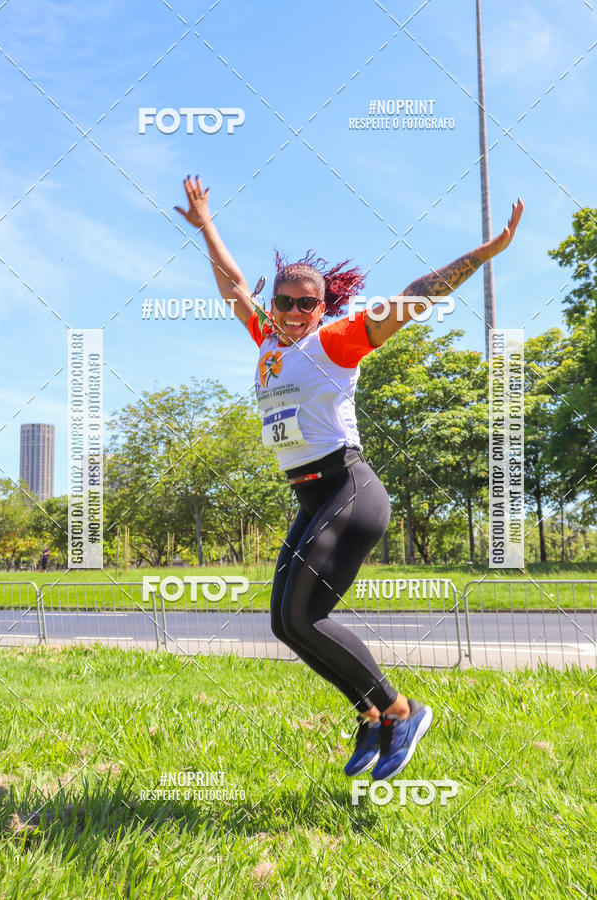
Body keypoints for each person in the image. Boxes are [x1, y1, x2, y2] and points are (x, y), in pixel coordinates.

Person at [175, 176, 523, 781]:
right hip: (309, 500)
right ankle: (370, 714)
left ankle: (401, 710)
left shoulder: (335, 343)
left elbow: (415, 294)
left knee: (306, 616)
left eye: (304, 303)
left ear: (321, 308)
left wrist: (483, 254)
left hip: (347, 489)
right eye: (282, 300)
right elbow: (234, 284)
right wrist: (207, 225)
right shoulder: (267, 341)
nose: (289, 311)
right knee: (286, 623)